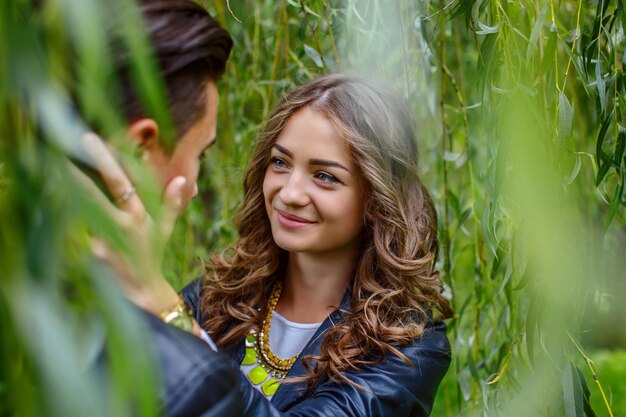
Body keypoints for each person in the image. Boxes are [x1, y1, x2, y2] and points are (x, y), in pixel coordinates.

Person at [106, 72, 453, 416]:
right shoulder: (217, 299)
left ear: (377, 197)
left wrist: (168, 311)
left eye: (324, 176)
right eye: (280, 163)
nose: (288, 193)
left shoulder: (409, 348)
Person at [72, 1, 244, 416]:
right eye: (200, 153)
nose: (196, 184)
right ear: (139, 147)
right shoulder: (191, 385)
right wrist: (160, 303)